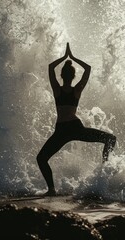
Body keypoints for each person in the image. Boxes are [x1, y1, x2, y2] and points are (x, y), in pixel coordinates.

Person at [37, 43, 116, 196]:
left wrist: (63, 58)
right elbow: (87, 69)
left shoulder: (57, 89)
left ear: (62, 75)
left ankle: (51, 190)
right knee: (110, 139)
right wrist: (73, 58)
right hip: (75, 127)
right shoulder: (77, 90)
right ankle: (102, 171)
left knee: (41, 159)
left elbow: (50, 68)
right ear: (73, 76)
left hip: (62, 130)